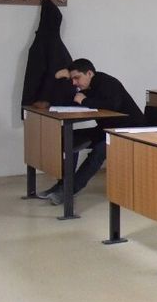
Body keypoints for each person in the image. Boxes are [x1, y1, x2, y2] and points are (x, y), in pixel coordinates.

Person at [38, 58, 146, 205]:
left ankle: (68, 191)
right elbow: (66, 101)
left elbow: (113, 105)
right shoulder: (85, 88)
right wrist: (58, 78)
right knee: (69, 138)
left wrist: (84, 101)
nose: (74, 83)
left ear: (89, 73)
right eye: (72, 79)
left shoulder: (107, 82)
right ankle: (62, 185)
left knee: (99, 150)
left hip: (129, 132)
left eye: (77, 78)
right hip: (108, 130)